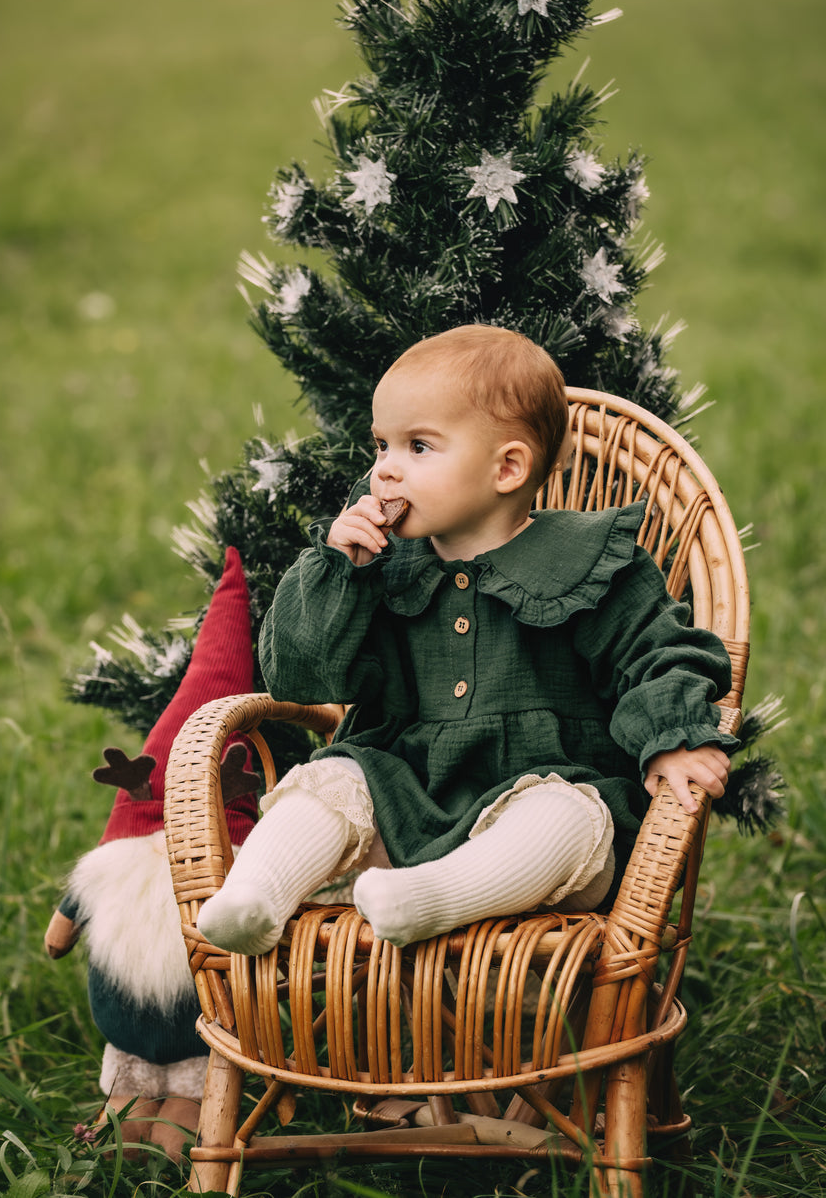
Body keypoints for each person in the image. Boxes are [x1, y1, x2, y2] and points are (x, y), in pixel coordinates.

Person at [197, 324, 736, 955]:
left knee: (564, 818)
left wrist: (670, 737)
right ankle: (254, 895)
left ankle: (432, 896)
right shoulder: (383, 568)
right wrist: (339, 572)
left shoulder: (588, 563)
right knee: (332, 781)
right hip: (405, 795)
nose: (386, 471)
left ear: (508, 467)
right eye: (381, 447)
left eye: (419, 447)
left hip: (543, 799)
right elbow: (297, 673)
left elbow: (660, 653)